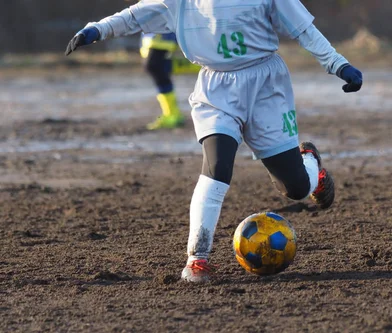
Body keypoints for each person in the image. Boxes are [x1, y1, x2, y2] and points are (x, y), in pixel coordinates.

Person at [65, 0, 363, 282]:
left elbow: (303, 30)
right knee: (217, 166)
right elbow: (136, 16)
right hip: (216, 89)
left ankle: (312, 165)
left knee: (296, 188)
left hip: (266, 87)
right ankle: (197, 258)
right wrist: (96, 30)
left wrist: (338, 64)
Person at [140, 32, 201, 130]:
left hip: (163, 24)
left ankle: (172, 114)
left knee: (154, 65)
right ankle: (172, 114)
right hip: (152, 25)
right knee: (158, 66)